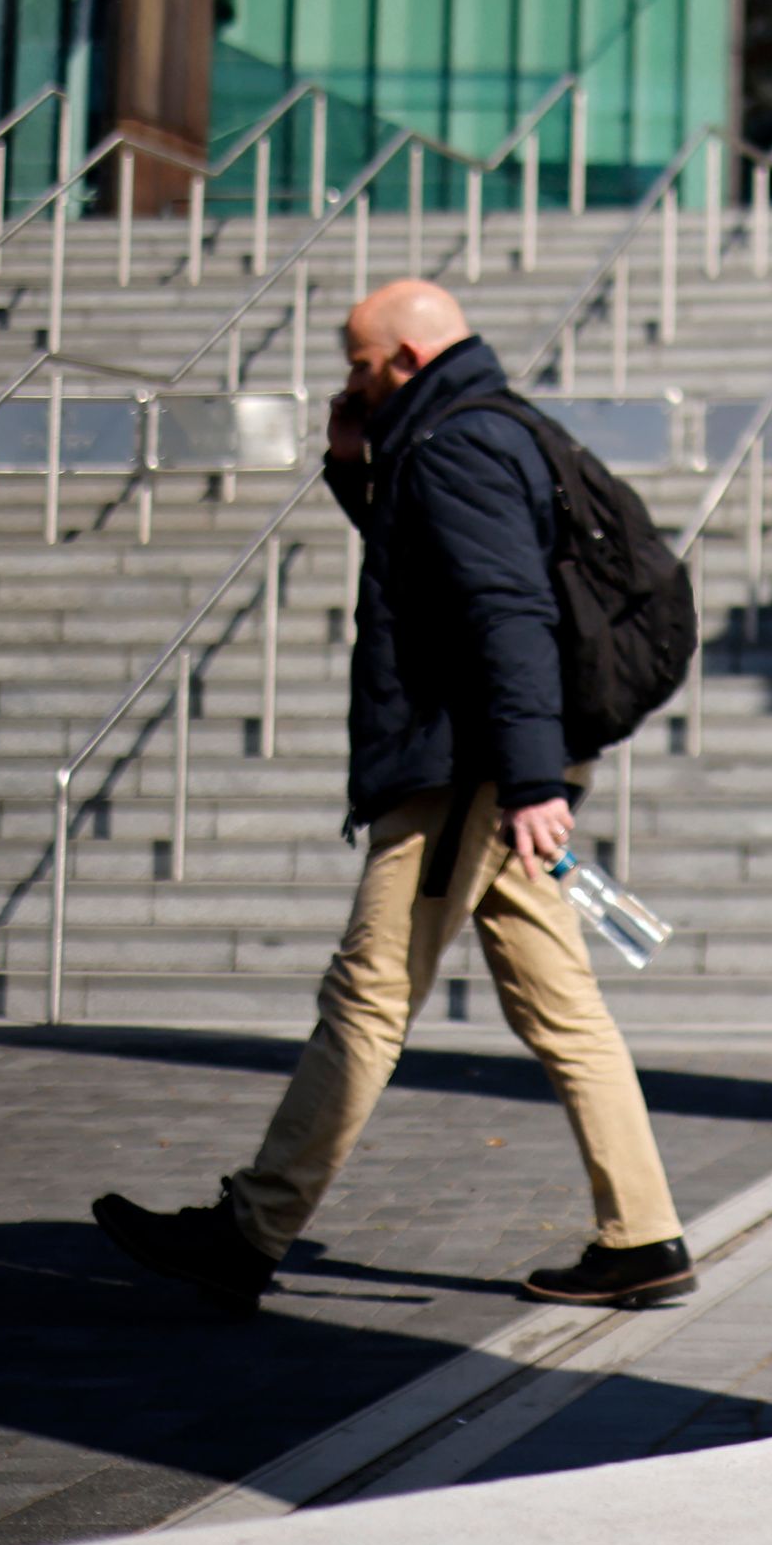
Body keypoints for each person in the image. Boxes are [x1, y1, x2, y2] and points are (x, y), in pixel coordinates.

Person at [92, 278, 694, 1314]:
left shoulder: (457, 442)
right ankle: (642, 1237)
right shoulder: (478, 427)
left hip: (467, 770)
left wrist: (534, 780)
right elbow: (431, 563)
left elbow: (504, 611)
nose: (349, 378)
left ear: (405, 361)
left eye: (357, 363)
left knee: (366, 997)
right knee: (566, 1011)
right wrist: (347, 464)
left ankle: (249, 1230)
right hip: (490, 765)